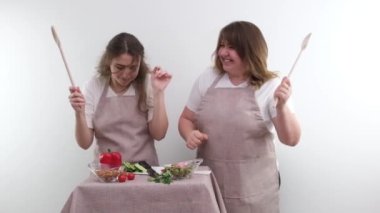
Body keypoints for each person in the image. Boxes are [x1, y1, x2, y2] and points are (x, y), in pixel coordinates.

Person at [178, 21, 301, 212]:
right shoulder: (208, 78)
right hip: (211, 183)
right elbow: (186, 119)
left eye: (232, 47)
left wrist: (283, 106)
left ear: (251, 51)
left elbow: (291, 139)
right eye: (222, 46)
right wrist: (189, 134)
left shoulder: (270, 86)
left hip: (255, 189)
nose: (223, 53)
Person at [69, 32, 172, 166]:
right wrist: (79, 113)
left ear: (140, 63)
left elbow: (159, 134)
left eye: (133, 68)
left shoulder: (148, 83)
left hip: (145, 171)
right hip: (107, 174)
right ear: (108, 62)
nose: (125, 74)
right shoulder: (94, 86)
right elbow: (84, 143)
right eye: (119, 67)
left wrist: (159, 93)